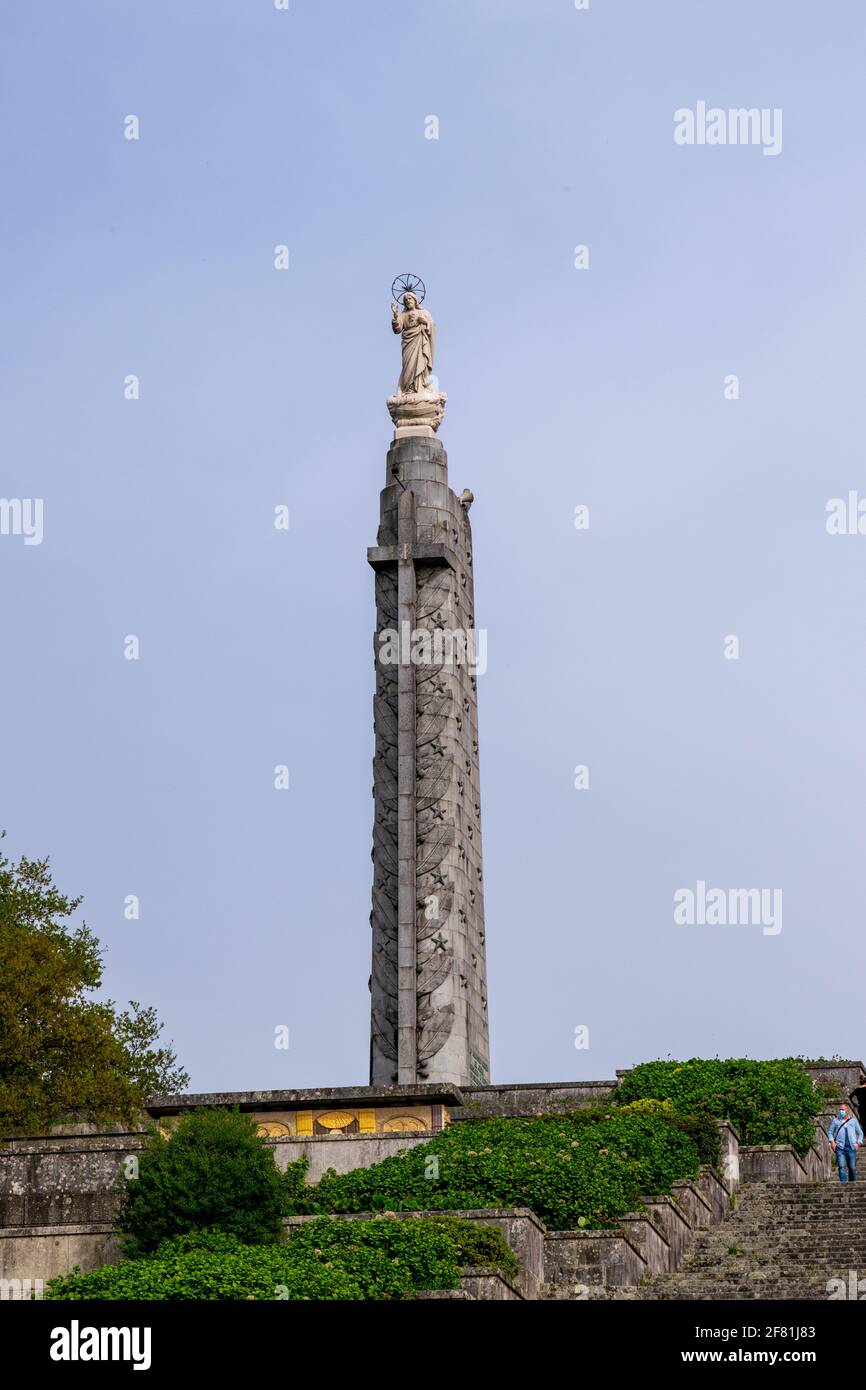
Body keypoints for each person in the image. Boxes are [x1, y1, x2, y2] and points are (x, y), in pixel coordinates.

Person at [829, 1104, 863, 1185]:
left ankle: (852, 1184)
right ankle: (843, 1185)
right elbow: (830, 1132)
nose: (841, 1111)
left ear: (847, 1111)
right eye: (840, 1109)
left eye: (843, 1109)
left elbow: (860, 1133)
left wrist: (858, 1143)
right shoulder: (835, 1121)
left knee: (852, 1168)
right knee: (841, 1166)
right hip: (840, 1147)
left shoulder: (853, 1121)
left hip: (851, 1147)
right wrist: (832, 1141)